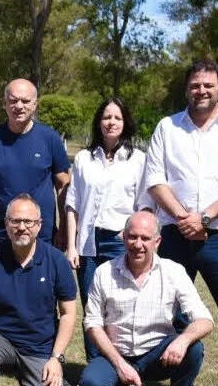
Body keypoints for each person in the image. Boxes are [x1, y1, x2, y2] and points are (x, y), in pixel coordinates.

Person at [143, 58, 218, 386]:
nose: (202, 91)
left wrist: (205, 218)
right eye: (195, 85)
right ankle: (179, 381)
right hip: (174, 236)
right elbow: (155, 180)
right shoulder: (167, 127)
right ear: (187, 89)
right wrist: (184, 218)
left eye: (208, 85)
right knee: (168, 315)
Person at [78, 211, 214, 386]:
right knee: (91, 383)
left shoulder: (174, 272)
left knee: (194, 349)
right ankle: (120, 379)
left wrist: (183, 340)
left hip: (157, 355)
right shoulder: (104, 272)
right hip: (116, 354)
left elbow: (205, 320)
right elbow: (92, 323)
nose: (138, 244)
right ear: (124, 238)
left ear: (157, 242)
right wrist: (119, 364)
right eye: (132, 237)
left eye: (145, 238)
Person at [0, 194, 77, 386]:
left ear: (39, 225)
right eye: (15, 221)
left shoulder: (56, 261)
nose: (22, 227)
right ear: (6, 224)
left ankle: (52, 379)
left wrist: (56, 358)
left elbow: (68, 313)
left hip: (39, 347)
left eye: (28, 222)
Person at [65, 98, 153, 359]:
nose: (111, 122)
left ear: (125, 122)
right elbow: (73, 205)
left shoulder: (139, 160)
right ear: (98, 122)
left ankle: (123, 364)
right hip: (88, 243)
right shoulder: (84, 159)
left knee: (120, 306)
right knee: (92, 306)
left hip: (121, 242)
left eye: (117, 117)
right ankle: (96, 366)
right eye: (106, 117)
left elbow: (145, 205)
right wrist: (71, 246)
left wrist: (131, 236)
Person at [0, 78, 70, 250]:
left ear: (35, 104)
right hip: (0, 236)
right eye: (13, 101)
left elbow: (63, 186)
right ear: (4, 103)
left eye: (25, 101)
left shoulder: (50, 139)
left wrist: (63, 228)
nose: (19, 106)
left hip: (42, 236)